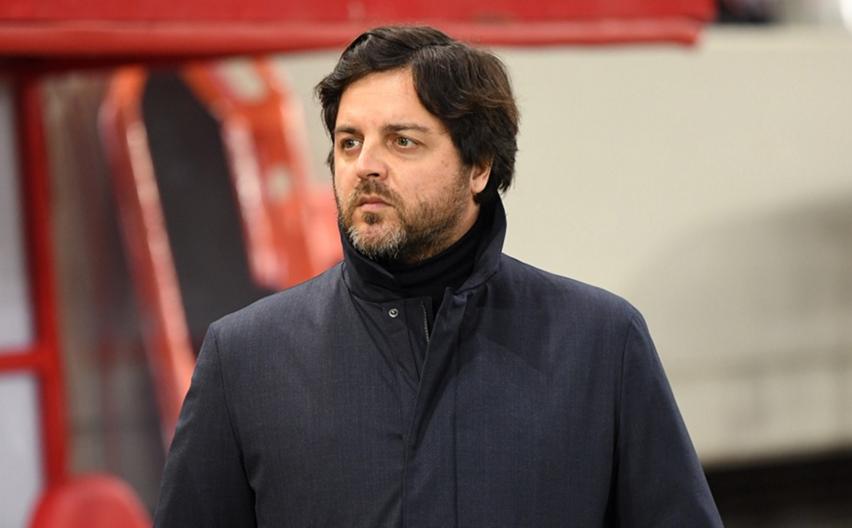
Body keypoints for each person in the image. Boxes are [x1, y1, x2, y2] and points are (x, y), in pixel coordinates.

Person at [154, 25, 723, 527]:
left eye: (402, 141)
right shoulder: (246, 357)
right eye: (349, 142)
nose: (366, 165)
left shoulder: (600, 342)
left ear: (479, 167)